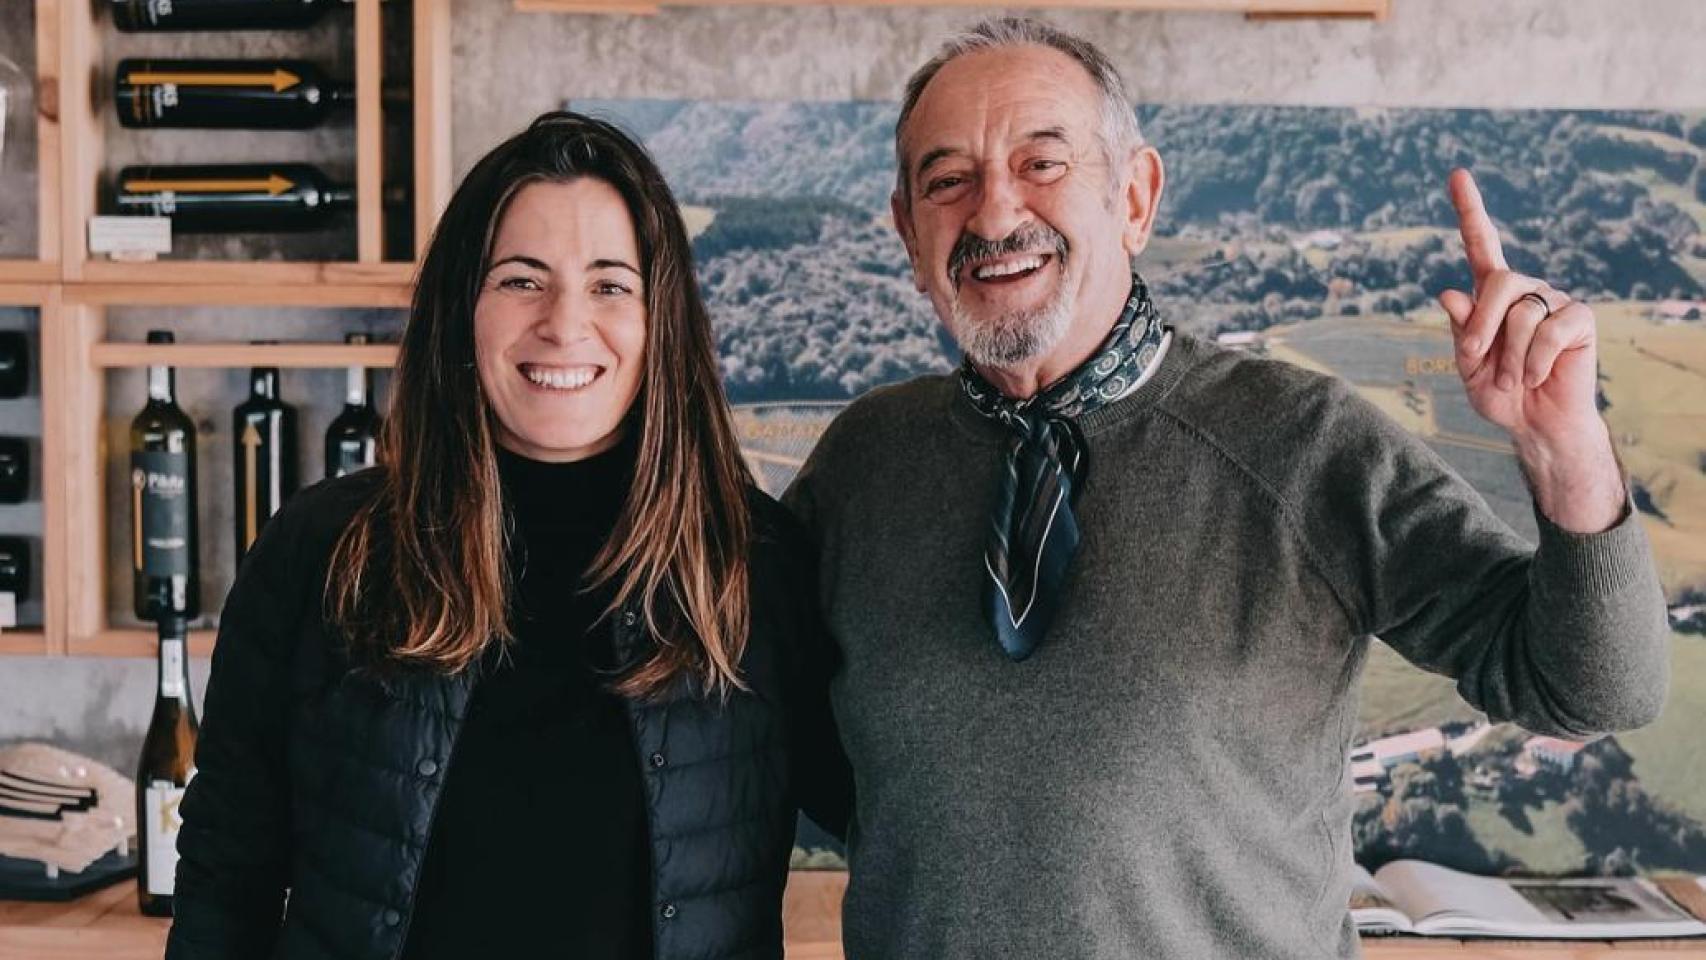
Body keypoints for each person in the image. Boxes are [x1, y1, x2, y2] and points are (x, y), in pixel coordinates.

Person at [783, 17, 1669, 959]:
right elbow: (795, 741)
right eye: (948, 180)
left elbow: (1594, 688)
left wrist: (1565, 445)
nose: (995, 214)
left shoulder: (1304, 444)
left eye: (1043, 164)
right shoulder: (863, 463)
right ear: (908, 231)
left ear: (1135, 198)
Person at [165, 111, 848, 960]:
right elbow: (228, 874)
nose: (565, 323)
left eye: (610, 284)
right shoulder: (321, 552)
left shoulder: (757, 565)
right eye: (522, 280)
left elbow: (894, 810)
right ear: (465, 307)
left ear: (658, 319)